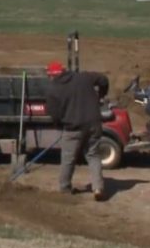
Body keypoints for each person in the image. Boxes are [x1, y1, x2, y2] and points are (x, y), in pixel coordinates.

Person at [44, 61, 110, 202]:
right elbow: (103, 80)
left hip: (72, 127)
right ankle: (98, 188)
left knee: (68, 158)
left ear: (51, 75)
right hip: (93, 123)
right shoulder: (83, 77)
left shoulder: (52, 89)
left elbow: (54, 114)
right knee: (93, 155)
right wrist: (101, 96)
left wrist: (59, 124)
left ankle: (65, 188)